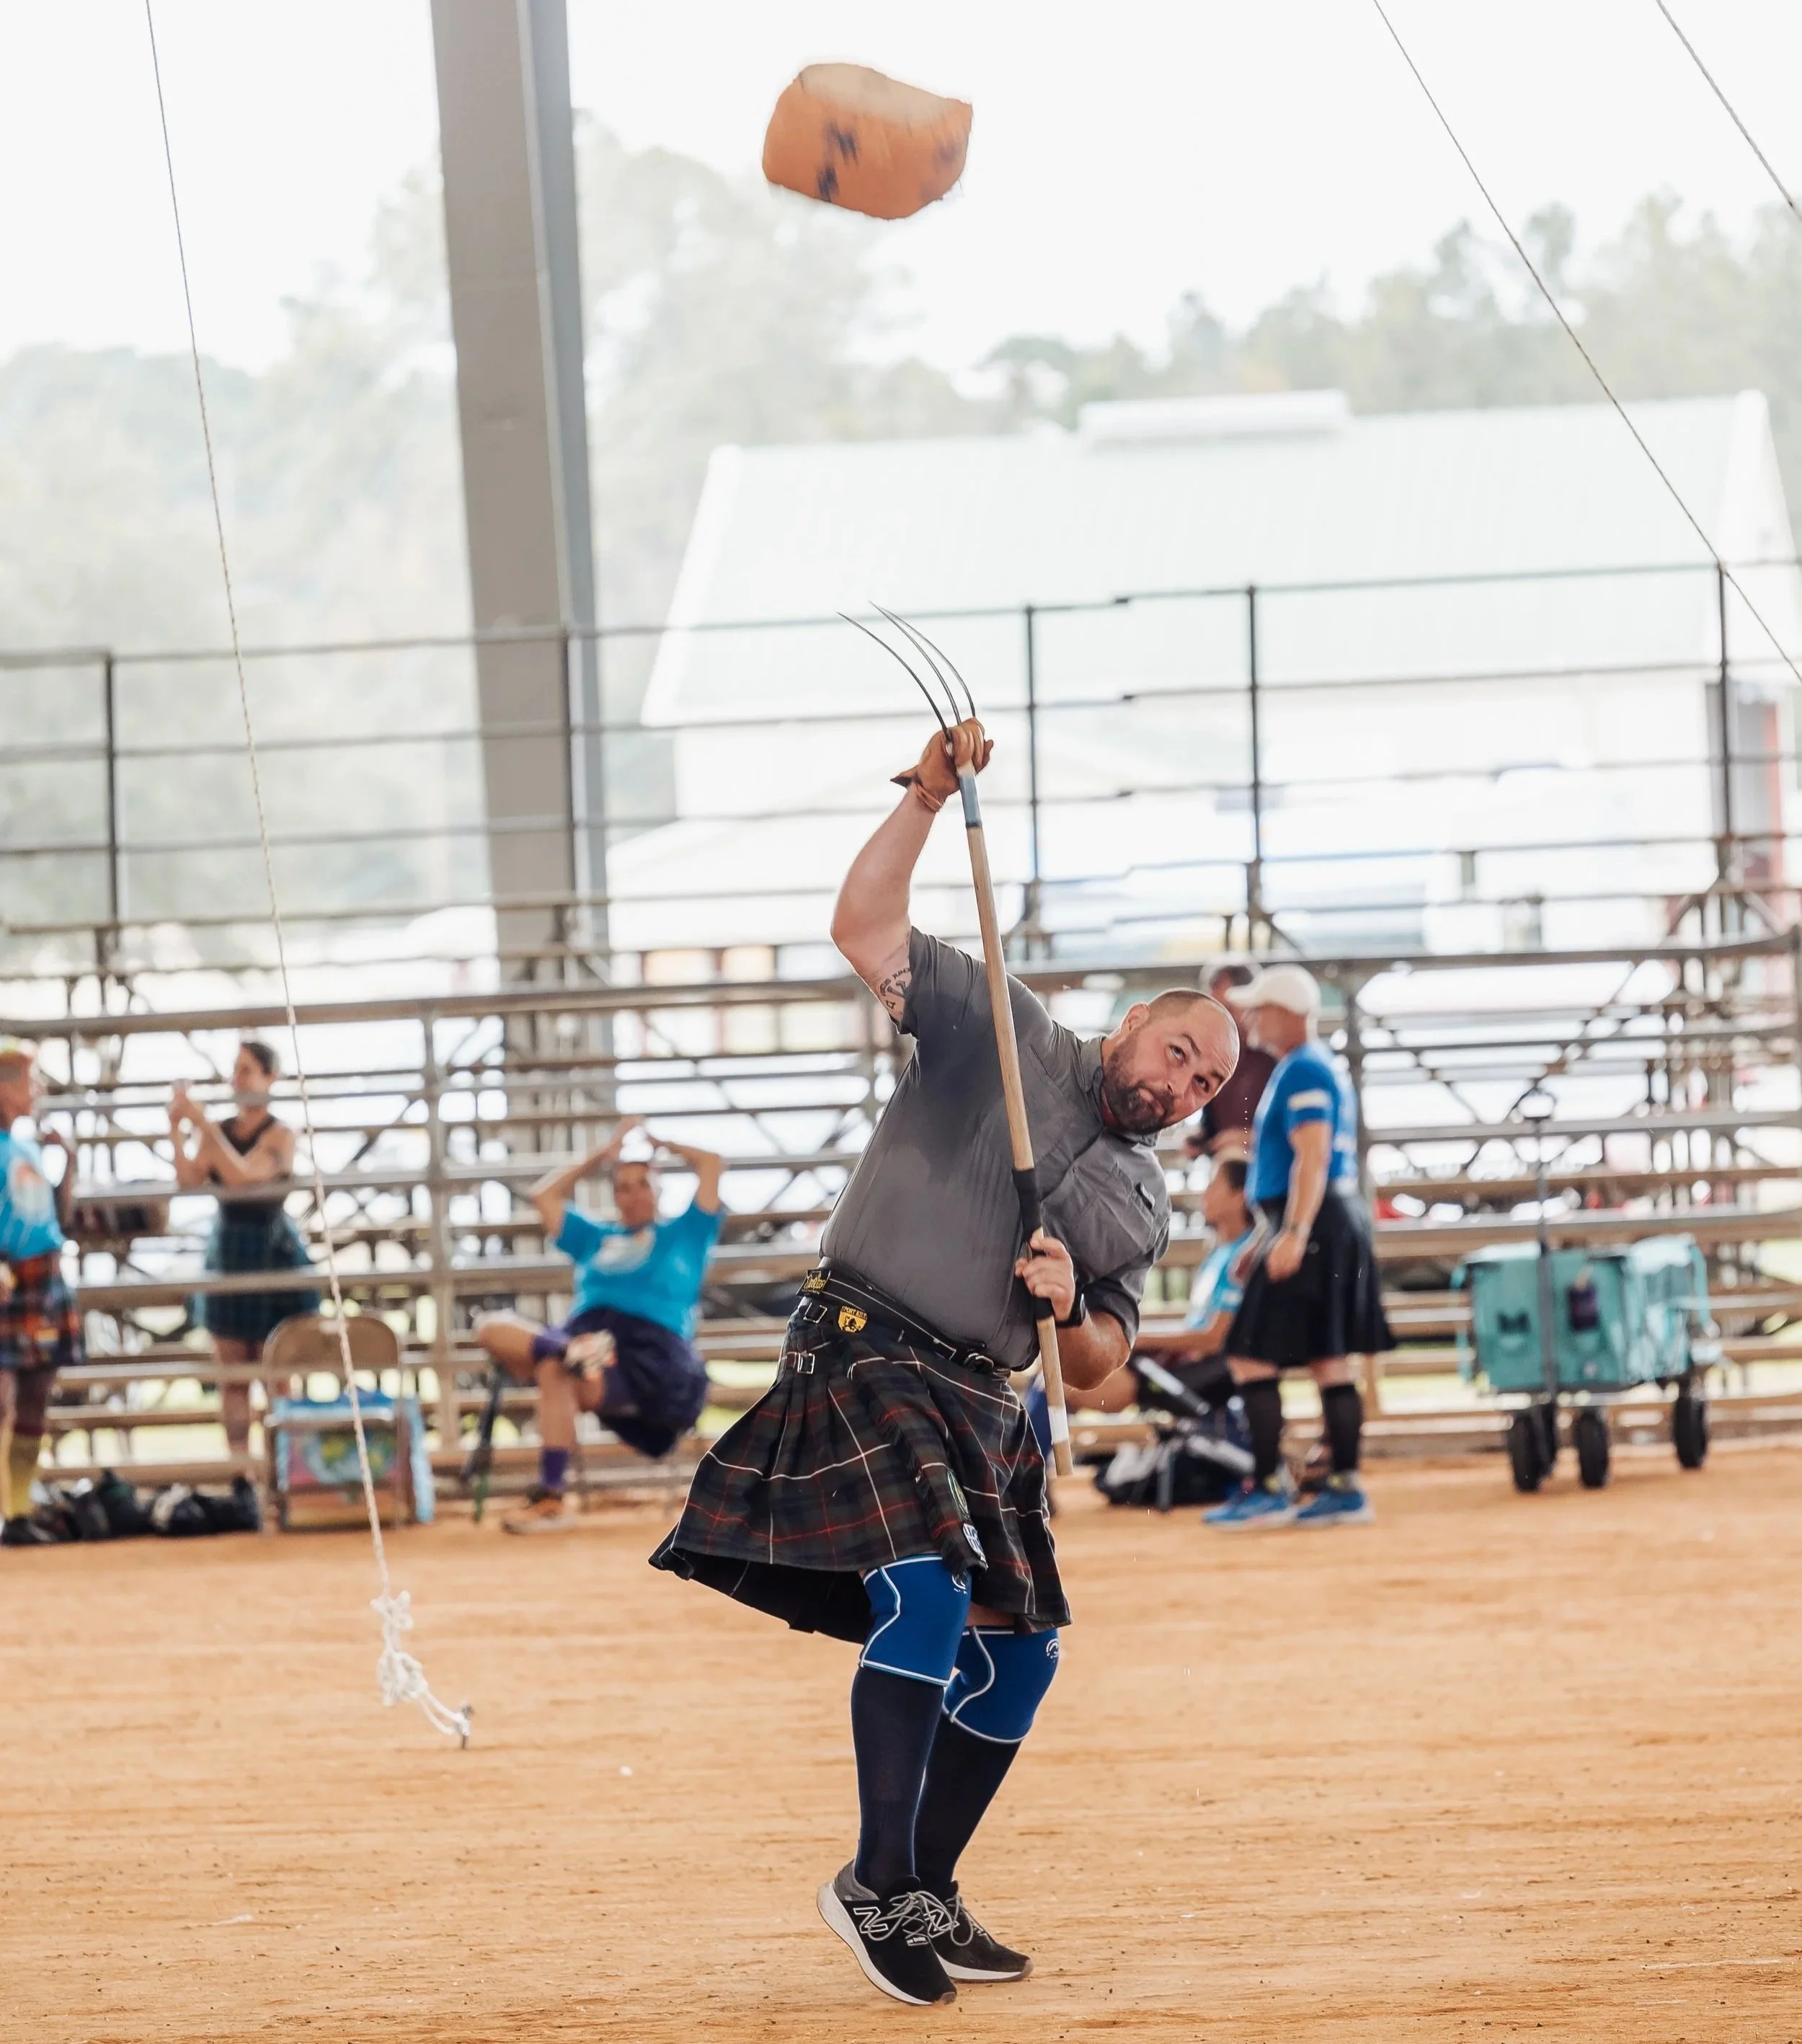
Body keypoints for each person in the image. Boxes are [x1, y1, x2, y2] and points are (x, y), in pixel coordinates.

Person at [650, 716, 1238, 2007]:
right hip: (864, 1355)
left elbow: (1100, 1372)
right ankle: (870, 1883)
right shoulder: (1003, 1030)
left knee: (1024, 1653)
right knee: (923, 1603)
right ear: (1135, 1022)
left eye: (1205, 1086)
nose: (1184, 1084)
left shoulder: (1142, 1206)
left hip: (988, 1401)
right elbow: (861, 927)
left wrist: (1072, 1300)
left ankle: (926, 1882)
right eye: (1179, 1052)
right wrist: (926, 799)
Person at [1204, 963, 1391, 1530]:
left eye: (1259, 1008)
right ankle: (1340, 1485)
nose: (1252, 1018)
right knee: (1328, 1359)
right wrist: (1270, 1233)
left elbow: (1311, 1156)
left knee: (1251, 1353)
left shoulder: (1303, 1069)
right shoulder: (1311, 1066)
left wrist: (1293, 1232)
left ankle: (1268, 1486)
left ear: (1285, 1011)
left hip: (1313, 1221)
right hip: (1321, 1217)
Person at [475, 1117, 722, 1526]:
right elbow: (545, 1196)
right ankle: (569, 1352)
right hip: (586, 1340)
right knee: (491, 1328)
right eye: (623, 1186)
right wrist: (602, 1154)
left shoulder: (687, 1233)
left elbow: (712, 1164)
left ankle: (550, 1496)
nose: (633, 1194)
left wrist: (664, 1142)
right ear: (614, 1196)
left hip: (650, 1355)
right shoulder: (594, 1237)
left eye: (642, 1183)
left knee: (557, 1370)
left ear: (659, 1188)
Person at [171, 1040, 319, 1458]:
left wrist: (200, 1124)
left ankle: (282, 1472)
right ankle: (240, 1473)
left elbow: (242, 1177)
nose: (239, 1079)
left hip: (271, 1249)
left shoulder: (280, 1133)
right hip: (230, 1250)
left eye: (248, 1070)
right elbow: (189, 1179)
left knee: (277, 1375)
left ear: (270, 1079)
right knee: (233, 1375)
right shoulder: (218, 1130)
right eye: (236, 1070)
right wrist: (177, 1128)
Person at [1034, 1152, 1256, 1423]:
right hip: (1176, 1363)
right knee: (1050, 1377)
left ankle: (1026, 1459)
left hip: (1204, 1371)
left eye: (1215, 1184)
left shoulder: (1242, 1258)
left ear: (1239, 1196)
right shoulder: (1218, 1254)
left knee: (1058, 1384)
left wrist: (1138, 1341)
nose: (1205, 1194)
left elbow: (1214, 1339)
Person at [0, 1041, 82, 1548]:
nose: (37, 1092)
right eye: (29, 1082)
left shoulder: (27, 1146)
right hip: (9, 1275)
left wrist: (67, 1160)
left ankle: (18, 1508)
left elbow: (58, 1213)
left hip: (44, 1276)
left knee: (34, 1398)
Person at [1189, 958, 1275, 1158]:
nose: (1222, 1021)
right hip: (1231, 1166)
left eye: (1229, 1009)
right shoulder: (1216, 1053)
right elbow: (1213, 1122)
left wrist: (1246, 1137)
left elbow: (1297, 1130)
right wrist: (1203, 1139)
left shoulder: (1274, 1057)